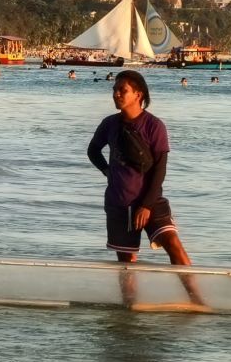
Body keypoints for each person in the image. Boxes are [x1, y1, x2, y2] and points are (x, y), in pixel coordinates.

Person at [87, 69, 203, 309]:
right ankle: (130, 305)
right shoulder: (110, 124)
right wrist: (107, 171)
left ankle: (198, 300)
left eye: (123, 90)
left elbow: (160, 169)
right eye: (115, 90)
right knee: (127, 260)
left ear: (138, 94)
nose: (117, 94)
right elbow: (93, 150)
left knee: (173, 243)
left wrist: (146, 205)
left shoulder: (154, 125)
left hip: (151, 199)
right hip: (119, 201)